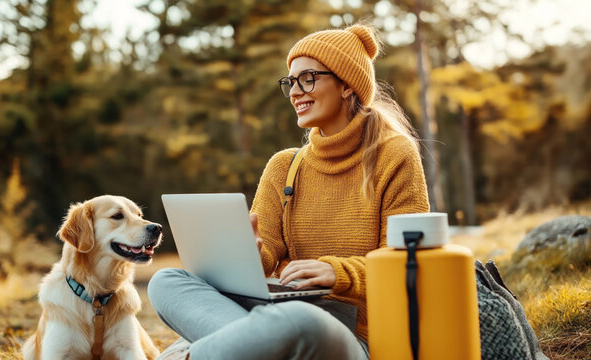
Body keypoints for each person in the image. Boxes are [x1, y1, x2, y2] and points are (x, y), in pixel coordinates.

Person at [148, 22, 430, 360]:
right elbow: (267, 260)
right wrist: (249, 259)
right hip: (271, 315)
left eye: (308, 78)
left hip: (356, 336)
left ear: (346, 84)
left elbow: (407, 264)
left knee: (298, 321)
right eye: (290, 82)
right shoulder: (284, 166)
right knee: (166, 282)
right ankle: (251, 347)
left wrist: (337, 273)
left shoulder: (394, 155)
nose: (295, 91)